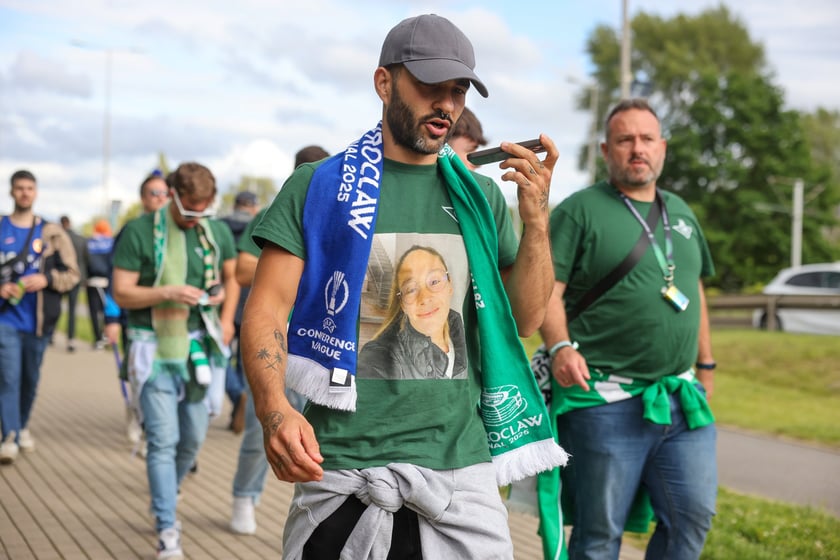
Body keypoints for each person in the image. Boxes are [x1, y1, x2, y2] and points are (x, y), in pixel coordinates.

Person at [240, 14, 566, 558]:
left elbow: (527, 320)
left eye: (458, 91)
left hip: (461, 475)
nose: (447, 104)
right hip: (340, 470)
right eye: (430, 87)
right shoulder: (316, 186)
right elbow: (268, 310)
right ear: (384, 83)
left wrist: (536, 222)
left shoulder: (482, 198)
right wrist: (275, 409)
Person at [537, 98, 717, 560]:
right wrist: (558, 346)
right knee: (599, 535)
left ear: (663, 147)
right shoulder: (580, 211)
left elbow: (693, 289)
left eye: (647, 138)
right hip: (604, 400)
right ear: (606, 150)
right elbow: (546, 292)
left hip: (681, 398)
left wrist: (707, 365)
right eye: (625, 140)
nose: (638, 149)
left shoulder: (682, 211)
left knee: (692, 517)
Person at [112, 162, 238, 559]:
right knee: (163, 441)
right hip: (154, 350)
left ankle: (165, 491)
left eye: (204, 209)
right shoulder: (139, 231)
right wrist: (167, 291)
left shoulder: (214, 230)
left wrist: (226, 312)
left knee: (194, 438)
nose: (197, 217)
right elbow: (122, 292)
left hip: (200, 347)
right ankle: (167, 527)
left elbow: (231, 275)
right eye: (190, 210)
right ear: (172, 196)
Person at [229, 145, 327, 535]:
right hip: (275, 339)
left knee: (314, 433)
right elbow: (240, 268)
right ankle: (244, 495)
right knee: (263, 427)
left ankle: (311, 509)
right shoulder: (281, 208)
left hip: (318, 348)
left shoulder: (340, 210)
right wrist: (295, 268)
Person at [0, 170, 80, 465]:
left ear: (36, 193)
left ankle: (21, 426)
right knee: (8, 377)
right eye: (19, 188)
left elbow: (73, 275)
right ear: (11, 192)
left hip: (38, 321)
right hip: (5, 318)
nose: (24, 193)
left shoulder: (52, 233)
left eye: (29, 188)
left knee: (30, 378)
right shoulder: (1, 227)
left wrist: (47, 279)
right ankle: (8, 436)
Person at [104, 170, 170, 447]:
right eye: (153, 193)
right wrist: (112, 318)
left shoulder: (177, 232)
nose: (160, 198)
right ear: (143, 198)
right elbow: (115, 280)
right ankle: (135, 417)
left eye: (165, 193)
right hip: (137, 319)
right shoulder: (132, 231)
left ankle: (157, 432)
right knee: (137, 376)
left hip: (172, 323)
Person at [358, 245, 467, 380]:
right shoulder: (378, 356)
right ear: (403, 304)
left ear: (450, 285)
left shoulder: (464, 330)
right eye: (411, 289)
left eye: (434, 281)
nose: (425, 298)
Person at [220, 190, 260, 434]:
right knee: (242, 361)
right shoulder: (262, 224)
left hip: (223, 301)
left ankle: (237, 396)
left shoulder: (220, 226)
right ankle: (244, 395)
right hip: (251, 298)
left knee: (221, 357)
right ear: (253, 207)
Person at [59, 215, 89, 353]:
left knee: (57, 307)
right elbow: (85, 260)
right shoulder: (80, 239)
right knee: (72, 310)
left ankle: (51, 335)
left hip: (61, 277)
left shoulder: (59, 239)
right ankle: (70, 339)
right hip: (76, 278)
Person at [87, 218, 114, 349]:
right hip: (107, 281)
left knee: (93, 312)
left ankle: (98, 338)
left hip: (92, 281)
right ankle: (105, 336)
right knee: (106, 310)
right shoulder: (111, 242)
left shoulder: (90, 242)